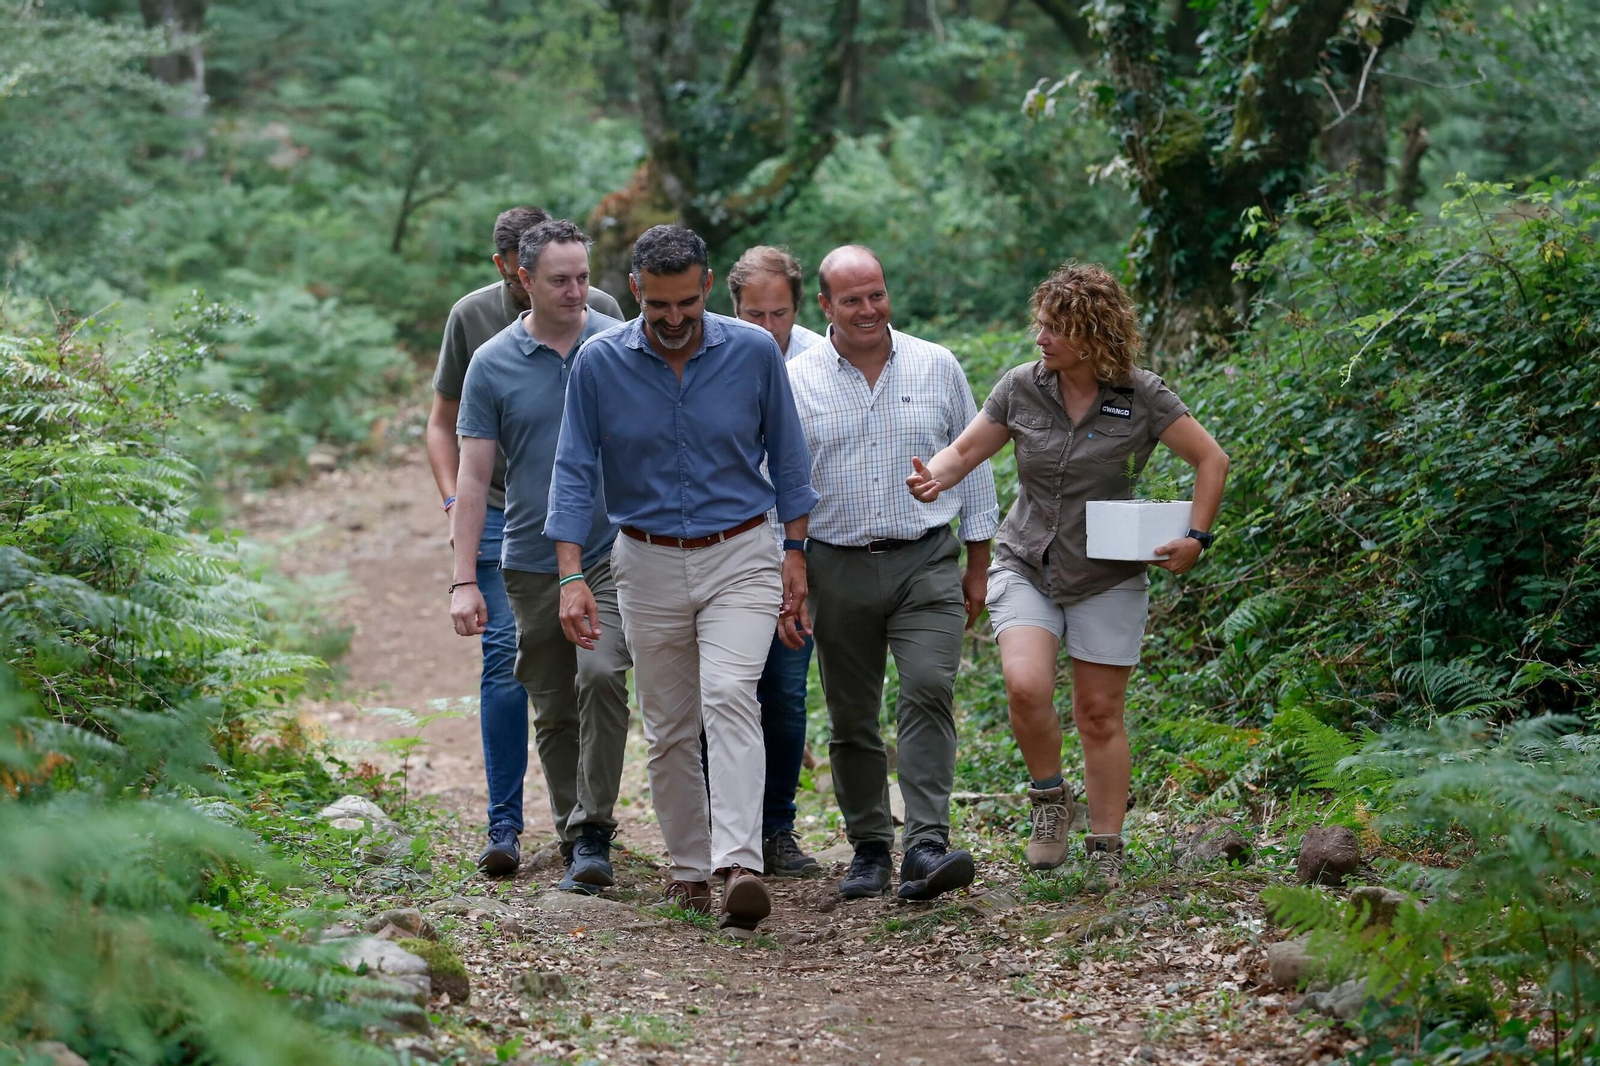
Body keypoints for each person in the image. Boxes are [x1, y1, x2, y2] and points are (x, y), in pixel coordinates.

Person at [905, 262, 1230, 891]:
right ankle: (1051, 799)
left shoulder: (1142, 395)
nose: (1041, 338)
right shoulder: (1021, 387)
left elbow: (1211, 459)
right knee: (1025, 685)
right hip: (1026, 560)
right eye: (1041, 325)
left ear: (1092, 333)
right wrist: (935, 476)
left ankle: (1106, 843)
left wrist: (1196, 536)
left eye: (1054, 328)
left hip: (1106, 573)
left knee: (1099, 712)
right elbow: (968, 449)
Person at [546, 224, 818, 930]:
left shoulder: (754, 353)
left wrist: (795, 553)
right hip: (645, 556)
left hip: (742, 553)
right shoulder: (599, 363)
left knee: (730, 693)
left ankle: (739, 864)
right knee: (668, 726)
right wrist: (572, 575)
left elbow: (789, 460)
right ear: (636, 289)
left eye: (686, 305)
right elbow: (574, 468)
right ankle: (691, 868)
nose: (672, 320)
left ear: (705, 289)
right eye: (657, 305)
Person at [787, 245, 1000, 902]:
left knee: (929, 686)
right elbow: (783, 484)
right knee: (852, 715)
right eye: (851, 299)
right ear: (825, 305)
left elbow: (978, 462)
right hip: (836, 566)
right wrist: (787, 569)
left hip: (925, 561)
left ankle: (927, 843)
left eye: (875, 294)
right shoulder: (797, 379)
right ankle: (871, 847)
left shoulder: (937, 365)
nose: (868, 309)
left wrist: (978, 564)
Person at [426, 206, 626, 876]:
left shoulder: (618, 342)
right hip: (528, 555)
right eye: (561, 281)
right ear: (524, 279)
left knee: (601, 677)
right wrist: (461, 579)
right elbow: (473, 477)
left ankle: (595, 829)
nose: (576, 293)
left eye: (583, 279)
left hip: (610, 551)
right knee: (551, 699)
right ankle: (571, 833)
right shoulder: (490, 360)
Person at [726, 245, 825, 878]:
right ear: (731, 307)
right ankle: (723, 827)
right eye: (754, 314)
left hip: (796, 552)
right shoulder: (711, 356)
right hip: (728, 549)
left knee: (786, 696)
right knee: (726, 691)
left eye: (779, 313)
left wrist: (805, 558)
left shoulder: (820, 362)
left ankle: (777, 828)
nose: (767, 328)